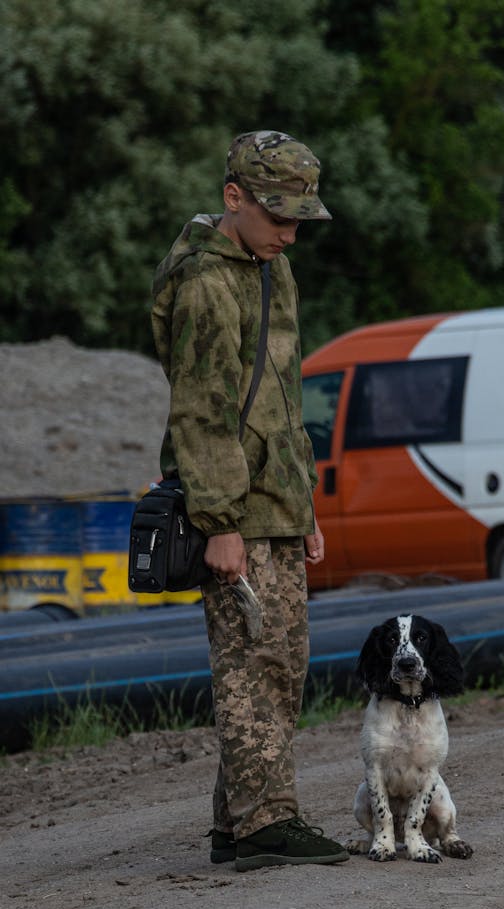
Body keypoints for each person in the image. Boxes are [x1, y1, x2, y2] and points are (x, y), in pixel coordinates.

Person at [151, 130, 349, 871]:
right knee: (252, 664)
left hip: (276, 498)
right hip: (233, 506)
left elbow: (281, 400)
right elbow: (201, 410)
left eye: (300, 218)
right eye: (277, 216)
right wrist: (220, 524)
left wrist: (304, 505)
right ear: (234, 198)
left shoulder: (272, 269)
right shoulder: (206, 281)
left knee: (281, 660)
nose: (289, 232)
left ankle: (238, 822)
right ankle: (266, 821)